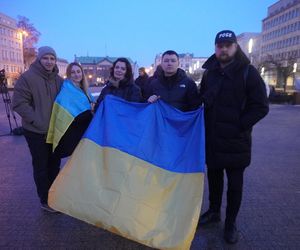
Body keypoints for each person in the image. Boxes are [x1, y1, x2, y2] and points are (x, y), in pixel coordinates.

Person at [198, 30, 269, 244]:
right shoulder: (209, 72)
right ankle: (213, 212)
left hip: (237, 141)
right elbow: (203, 99)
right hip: (213, 139)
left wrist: (240, 125)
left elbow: (261, 107)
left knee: (235, 185)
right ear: (215, 48)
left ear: (236, 47)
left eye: (228, 45)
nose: (224, 49)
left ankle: (230, 222)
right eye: (220, 45)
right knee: (215, 180)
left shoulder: (248, 72)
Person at [12, 46, 63, 213]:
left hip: (54, 131)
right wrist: (37, 120)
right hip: (36, 131)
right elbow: (19, 103)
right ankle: (45, 199)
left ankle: (55, 196)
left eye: (52, 58)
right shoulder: (27, 78)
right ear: (39, 59)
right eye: (45, 58)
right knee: (41, 165)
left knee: (54, 165)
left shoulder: (58, 79)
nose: (49, 61)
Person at [46, 62, 94, 158]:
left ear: (82, 73)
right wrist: (90, 111)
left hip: (84, 134)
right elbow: (70, 118)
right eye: (73, 72)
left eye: (78, 71)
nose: (76, 75)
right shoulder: (66, 92)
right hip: (73, 137)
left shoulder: (85, 89)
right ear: (69, 75)